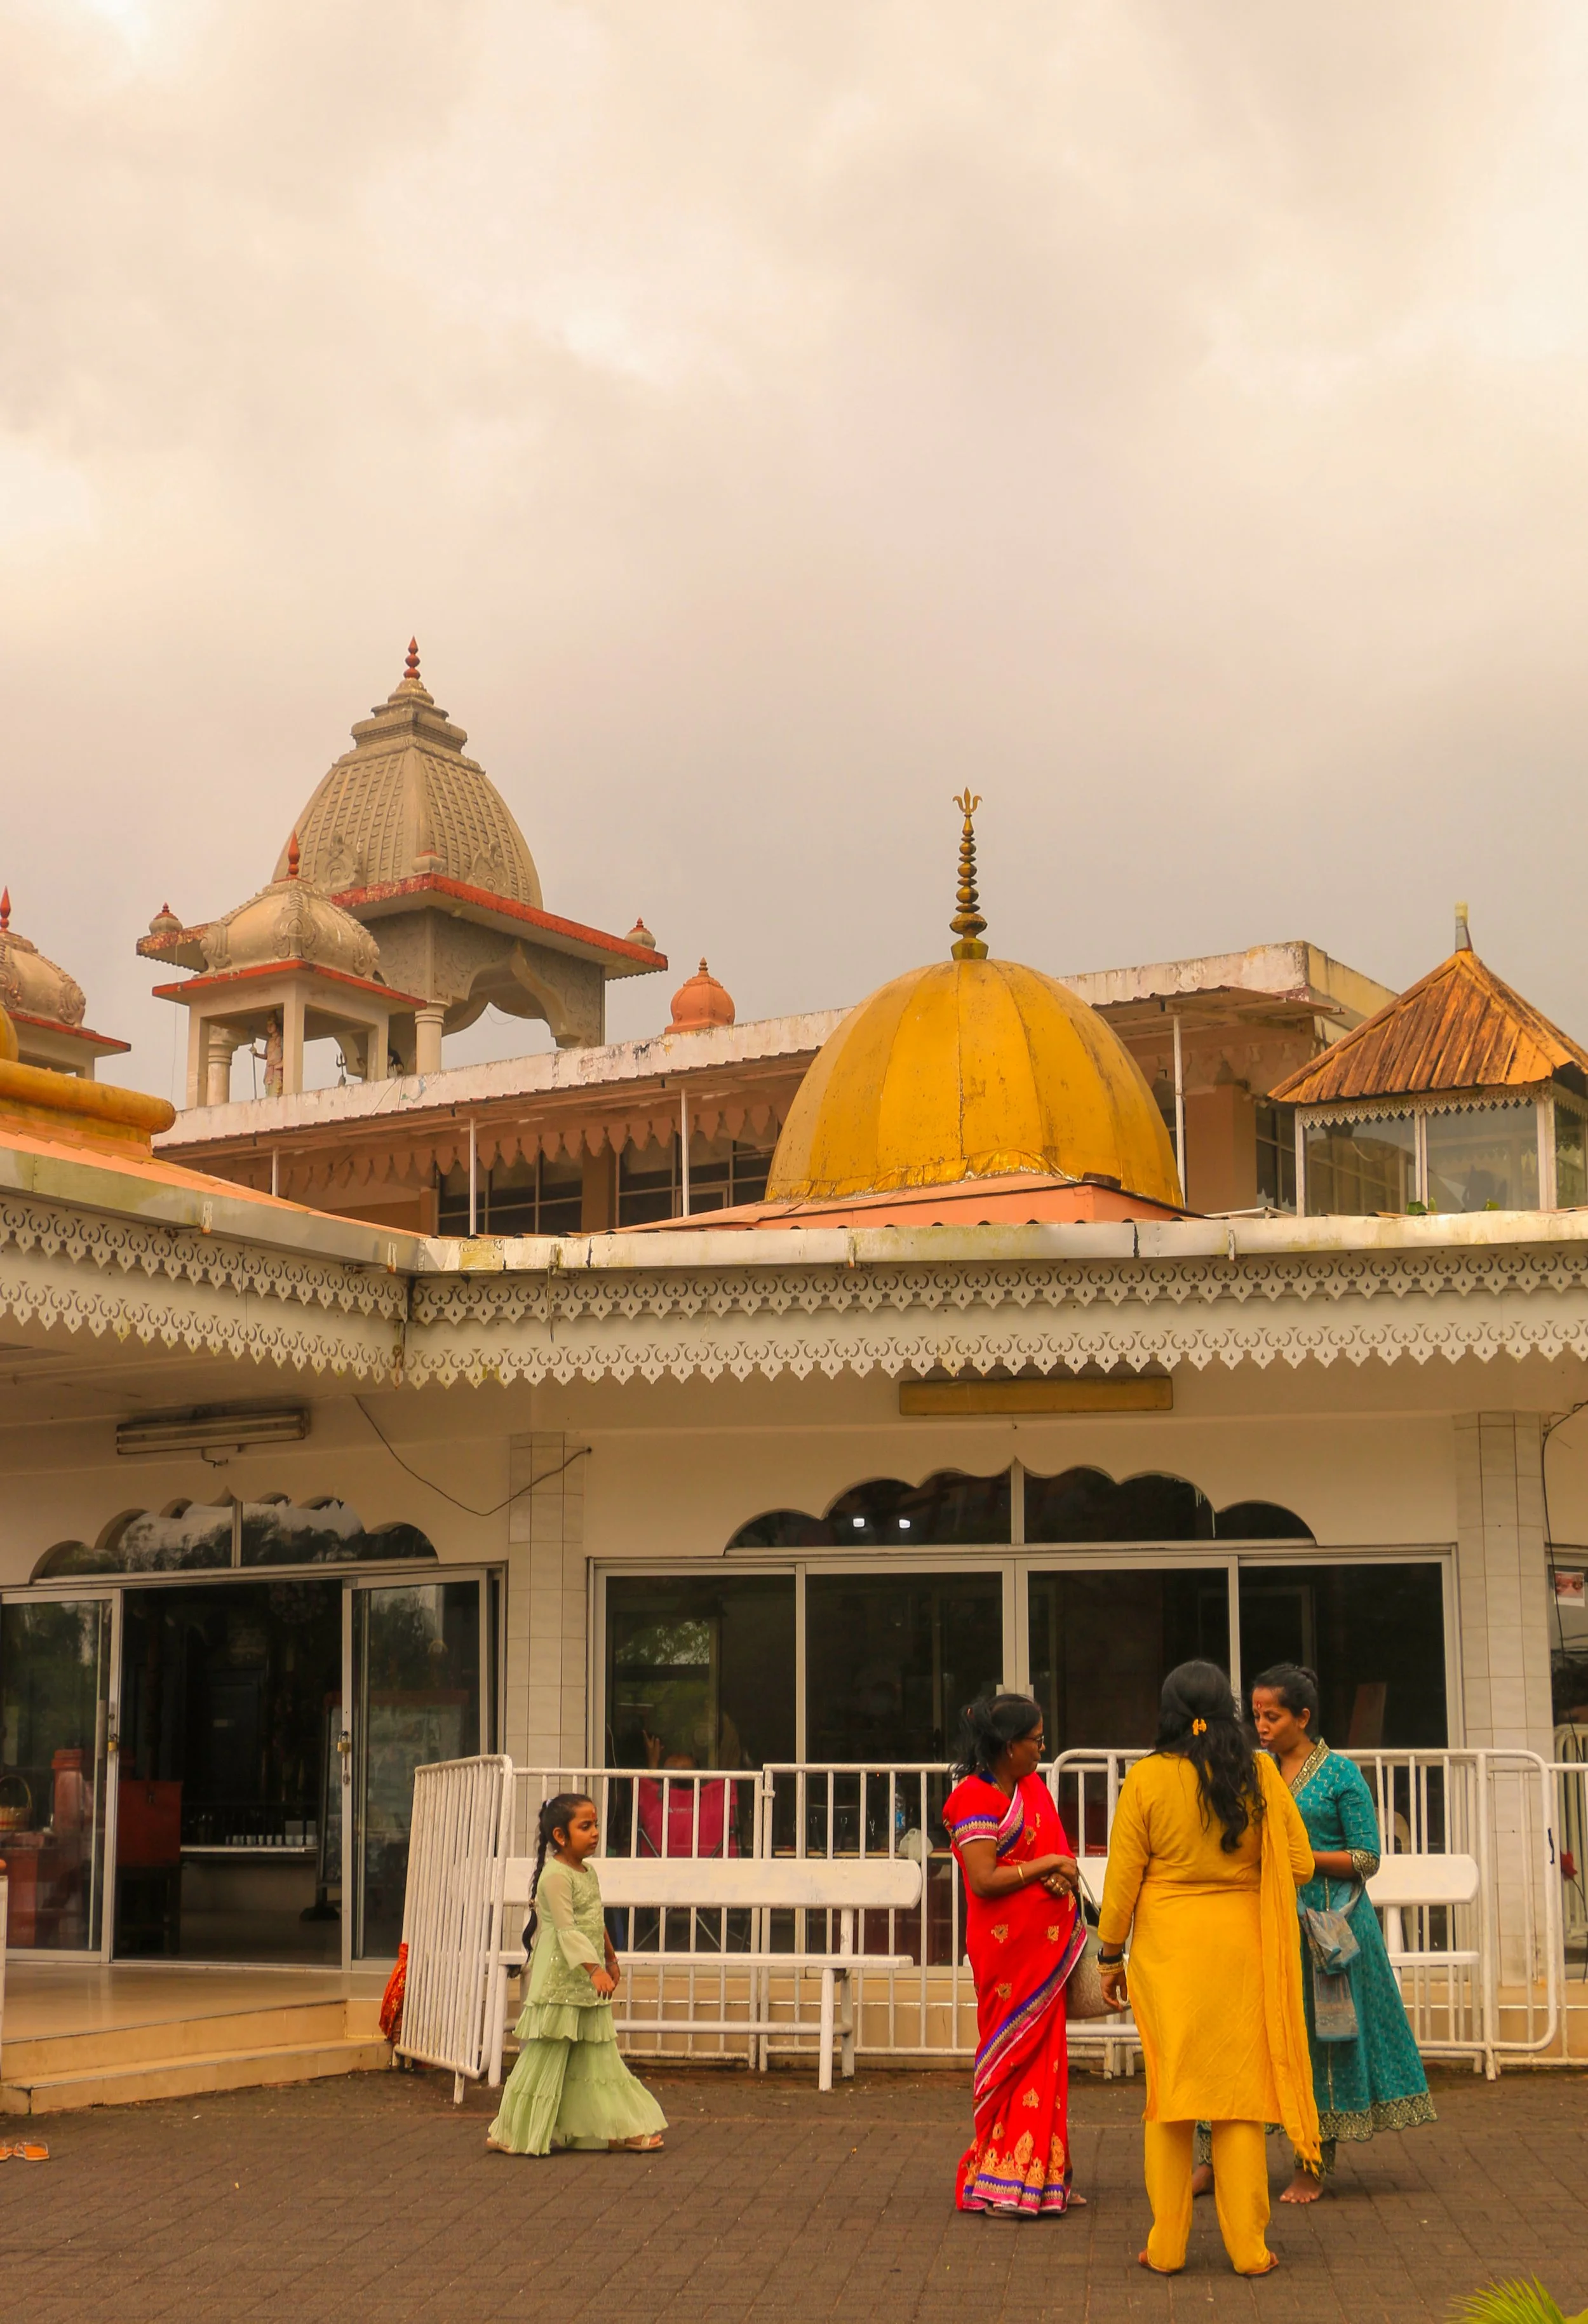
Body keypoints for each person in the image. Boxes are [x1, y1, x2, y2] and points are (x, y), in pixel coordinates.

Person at [1097, 1661, 1318, 2277]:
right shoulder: (1259, 1772)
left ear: (1167, 1711)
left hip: (1167, 1953)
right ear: (1229, 1710)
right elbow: (1298, 1864)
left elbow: (1121, 1882)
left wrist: (1109, 1954)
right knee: (1238, 2102)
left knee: (1169, 2099)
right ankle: (1249, 2251)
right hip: (1241, 1947)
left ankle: (1165, 2248)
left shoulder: (1144, 1778)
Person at [1247, 1663, 1435, 2199]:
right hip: (1266, 1917)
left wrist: (1299, 1861)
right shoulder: (1254, 1770)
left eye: (1273, 1716)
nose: (1262, 1726)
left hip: (1328, 1927)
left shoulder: (1339, 1774)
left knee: (1321, 2041)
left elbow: (1366, 1857)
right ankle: (1216, 2162)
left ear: (1303, 1717)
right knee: (1251, 2036)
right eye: (1257, 1715)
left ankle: (1312, 2162)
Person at [941, 1693, 1087, 2217]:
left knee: (1048, 2062)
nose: (1042, 1750)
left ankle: (1044, 2176)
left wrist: (1053, 1868)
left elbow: (1040, 1858)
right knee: (1012, 2059)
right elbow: (983, 1880)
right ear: (1007, 1746)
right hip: (1006, 1958)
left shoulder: (1032, 1790)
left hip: (1042, 1954)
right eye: (1036, 1740)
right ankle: (1001, 2177)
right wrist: (1046, 1862)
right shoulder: (972, 1798)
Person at [487, 1791, 668, 2156]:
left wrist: (611, 1960)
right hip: (560, 1981)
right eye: (585, 1826)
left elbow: (593, 1922)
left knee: (599, 2058)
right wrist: (594, 1969)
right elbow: (567, 1930)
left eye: (596, 1824)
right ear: (560, 1836)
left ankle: (616, 2127)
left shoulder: (589, 1872)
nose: (595, 1832)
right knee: (543, 2058)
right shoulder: (555, 1876)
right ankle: (513, 2132)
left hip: (588, 1978)